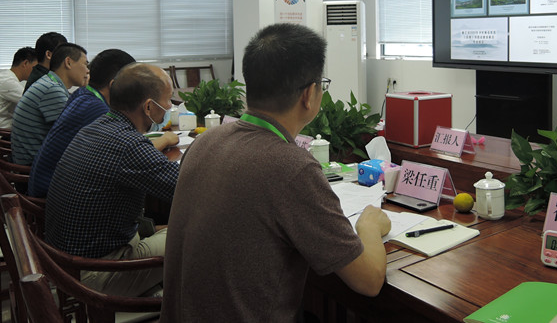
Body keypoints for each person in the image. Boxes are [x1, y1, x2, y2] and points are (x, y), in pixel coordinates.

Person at [160, 23, 391, 322]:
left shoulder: (206, 141)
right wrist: (369, 226)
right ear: (310, 94)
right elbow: (369, 280)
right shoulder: (292, 167)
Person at [45, 63, 180, 297]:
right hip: (96, 273)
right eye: (168, 101)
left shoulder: (95, 128)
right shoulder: (130, 145)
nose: (170, 107)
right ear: (149, 107)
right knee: (196, 232)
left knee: (172, 226)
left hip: (63, 262)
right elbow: (188, 189)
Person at [27, 48, 135, 197]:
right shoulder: (97, 109)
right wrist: (165, 138)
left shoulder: (83, 94)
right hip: (52, 195)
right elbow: (129, 155)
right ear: (115, 85)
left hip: (47, 185)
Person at [10, 42, 89, 165]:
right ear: (68, 62)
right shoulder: (51, 90)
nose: (88, 71)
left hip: (33, 162)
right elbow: (78, 135)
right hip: (34, 169)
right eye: (85, 64)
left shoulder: (49, 82)